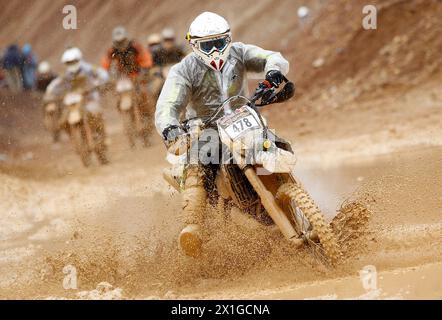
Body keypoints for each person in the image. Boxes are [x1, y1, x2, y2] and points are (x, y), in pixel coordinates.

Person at [155, 12, 289, 257]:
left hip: (245, 120)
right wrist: (170, 127)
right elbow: (168, 105)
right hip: (206, 129)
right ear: (194, 45)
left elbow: (272, 57)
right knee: (198, 164)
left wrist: (274, 72)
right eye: (208, 45)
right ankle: (192, 227)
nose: (215, 50)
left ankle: (291, 190)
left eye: (219, 42)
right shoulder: (183, 70)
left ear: (228, 39)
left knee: (274, 143)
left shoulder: (239, 53)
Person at [44, 47, 110, 164]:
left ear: (79, 59)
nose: (72, 64)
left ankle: (102, 136)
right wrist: (50, 92)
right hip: (73, 105)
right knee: (63, 121)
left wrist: (98, 82)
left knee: (96, 113)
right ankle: (73, 136)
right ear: (65, 63)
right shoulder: (65, 75)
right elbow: (54, 85)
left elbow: (102, 74)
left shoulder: (88, 69)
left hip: (89, 99)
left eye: (74, 61)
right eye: (69, 62)